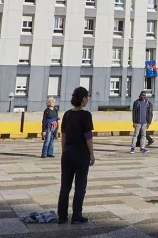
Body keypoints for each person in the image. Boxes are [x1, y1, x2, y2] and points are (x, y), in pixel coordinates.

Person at [57, 86, 95, 225]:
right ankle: (77, 216)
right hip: (81, 155)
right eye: (87, 98)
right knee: (80, 186)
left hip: (67, 154)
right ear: (84, 98)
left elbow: (64, 135)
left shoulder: (67, 114)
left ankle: (62, 216)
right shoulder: (86, 115)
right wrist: (91, 154)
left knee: (65, 187)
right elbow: (88, 136)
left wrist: (64, 151)